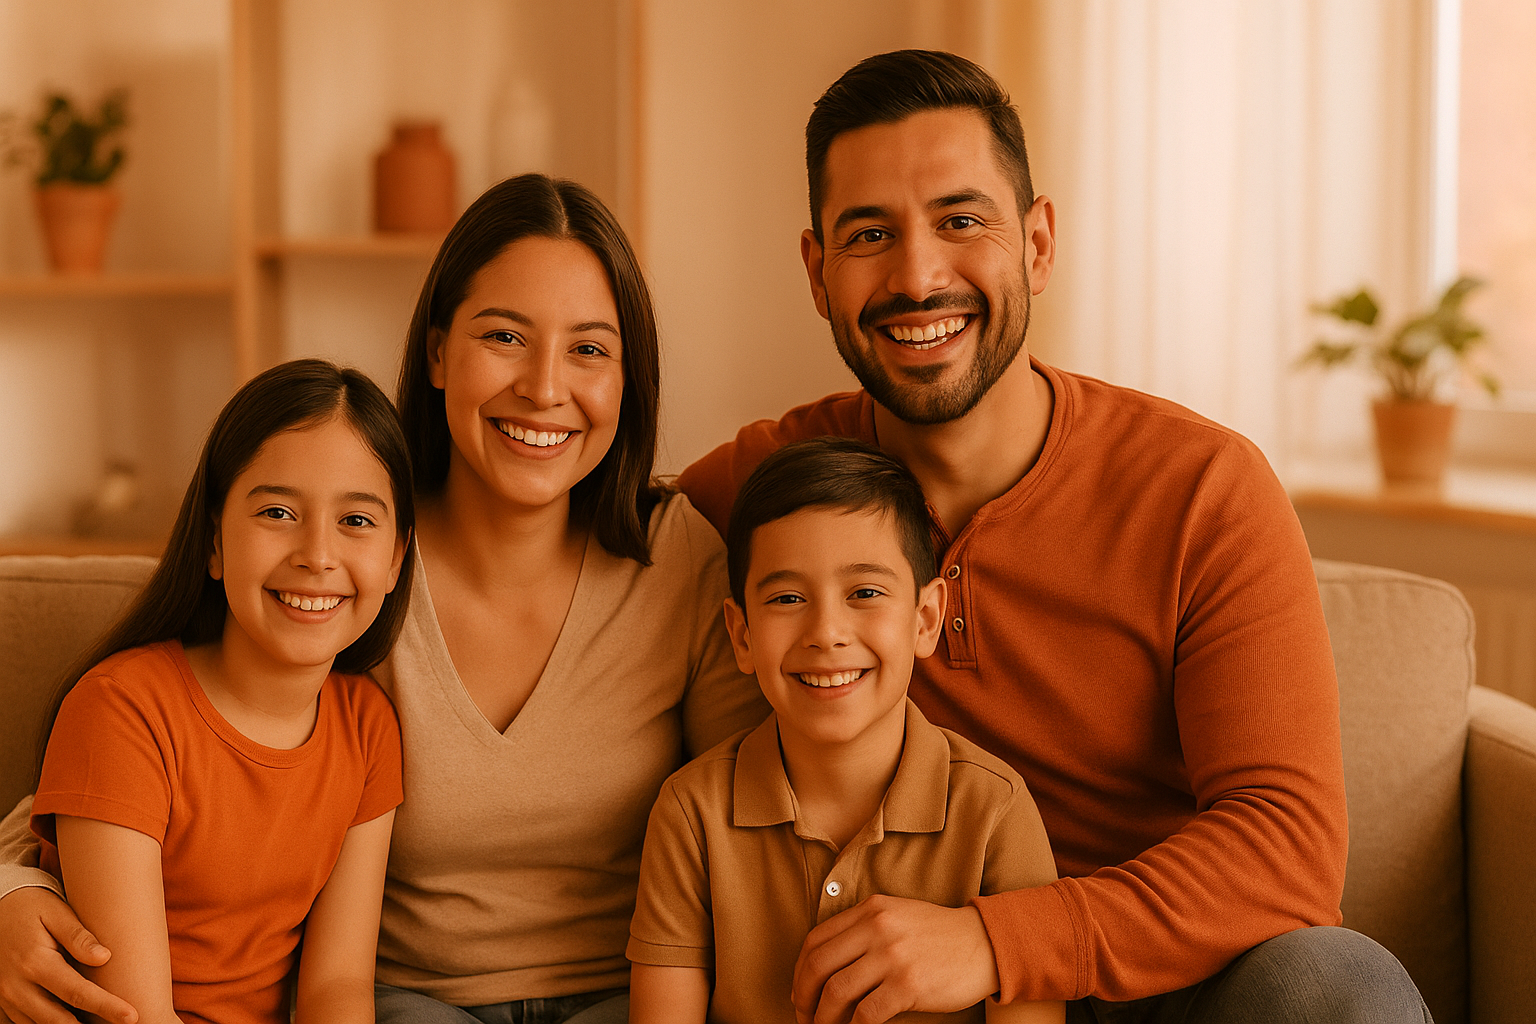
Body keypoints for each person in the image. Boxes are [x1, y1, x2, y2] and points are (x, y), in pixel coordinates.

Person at [675, 51, 1432, 1023]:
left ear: (1037, 243)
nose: (918, 275)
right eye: (871, 234)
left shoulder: (1205, 491)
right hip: (914, 1009)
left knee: (1342, 988)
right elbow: (565, 532)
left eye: (961, 221)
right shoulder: (761, 490)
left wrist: (998, 940)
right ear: (819, 274)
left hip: (1166, 985)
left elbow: (1285, 848)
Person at [0, 175, 768, 1024]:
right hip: (411, 999)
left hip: (631, 989)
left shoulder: (678, 558)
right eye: (505, 336)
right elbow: (154, 742)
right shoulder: (350, 561)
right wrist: (9, 887)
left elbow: (751, 801)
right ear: (438, 351)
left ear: (630, 378)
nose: (545, 388)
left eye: (590, 349)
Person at [627, 437, 1063, 1024]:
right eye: (786, 597)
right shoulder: (690, 813)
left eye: (865, 593)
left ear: (927, 618)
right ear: (742, 635)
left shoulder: (995, 810)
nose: (826, 631)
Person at [31, 359, 412, 1024]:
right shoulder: (123, 709)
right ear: (213, 540)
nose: (317, 553)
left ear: (396, 558)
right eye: (277, 512)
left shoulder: (368, 725)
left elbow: (338, 988)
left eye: (356, 521)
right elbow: (135, 1014)